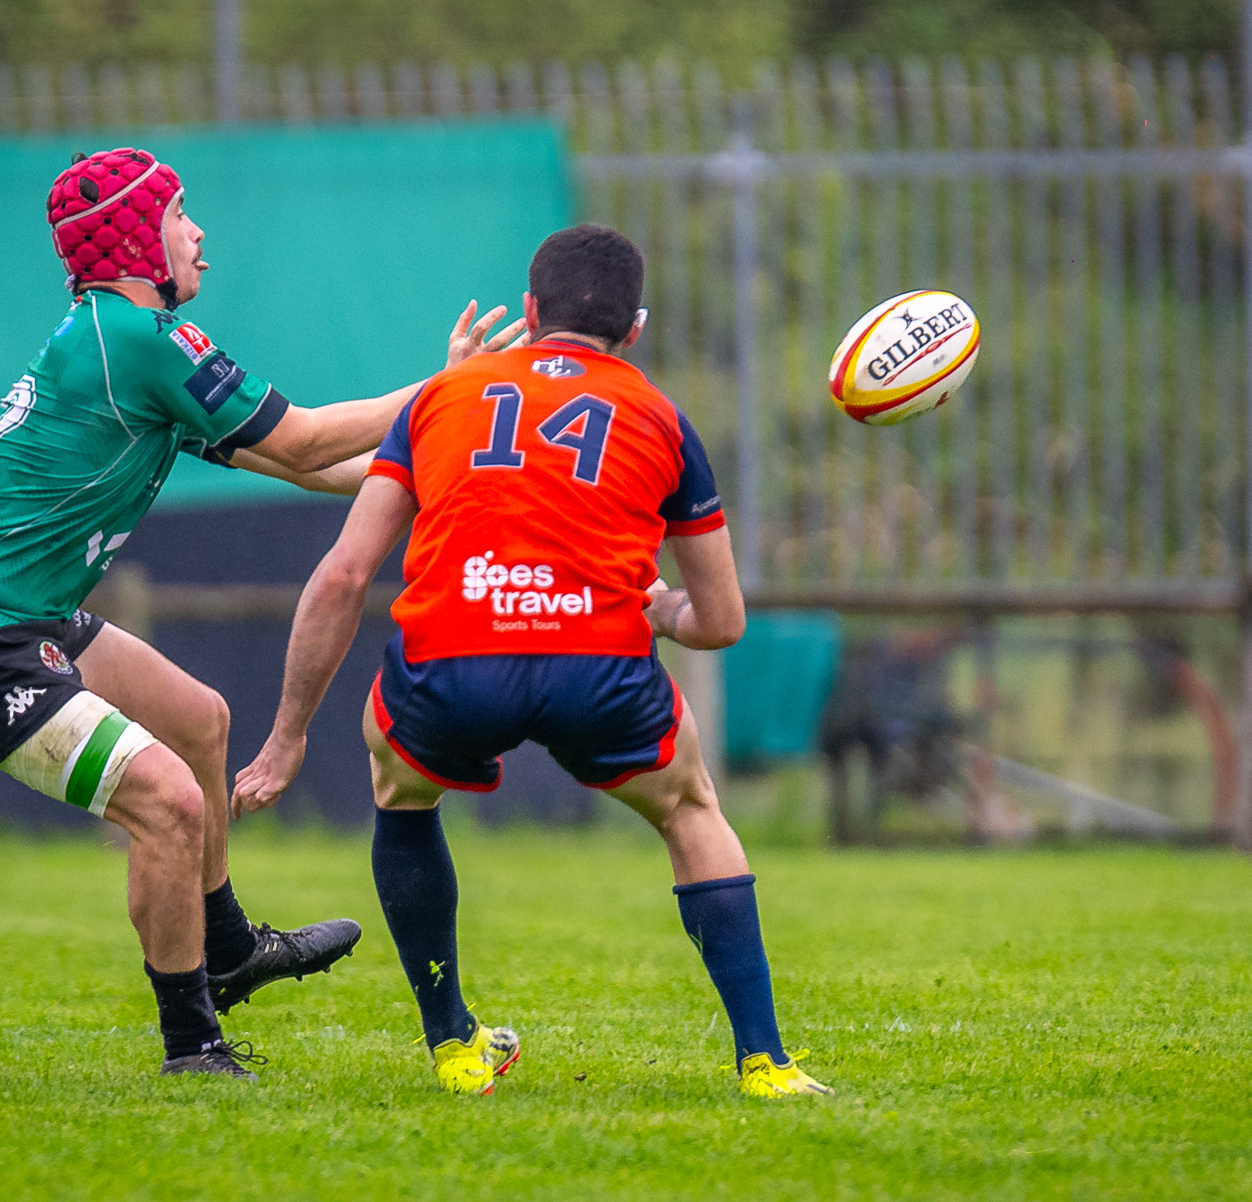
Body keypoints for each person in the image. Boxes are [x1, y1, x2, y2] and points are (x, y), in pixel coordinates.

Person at [0, 147, 524, 1080]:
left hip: (15, 613)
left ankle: (227, 949)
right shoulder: (139, 339)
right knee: (168, 803)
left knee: (199, 720)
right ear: (137, 239)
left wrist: (438, 462)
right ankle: (194, 1047)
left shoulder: (122, 346)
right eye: (181, 213)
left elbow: (318, 469)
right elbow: (303, 437)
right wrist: (450, 390)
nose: (199, 232)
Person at [232, 223, 832, 1099]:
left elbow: (343, 576)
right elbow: (722, 622)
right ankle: (765, 1063)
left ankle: (453, 1045)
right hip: (598, 666)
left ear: (529, 307)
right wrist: (663, 609)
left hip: (454, 662)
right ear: (635, 330)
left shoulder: (441, 398)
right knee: (692, 809)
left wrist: (287, 737)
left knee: (399, 783)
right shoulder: (662, 419)